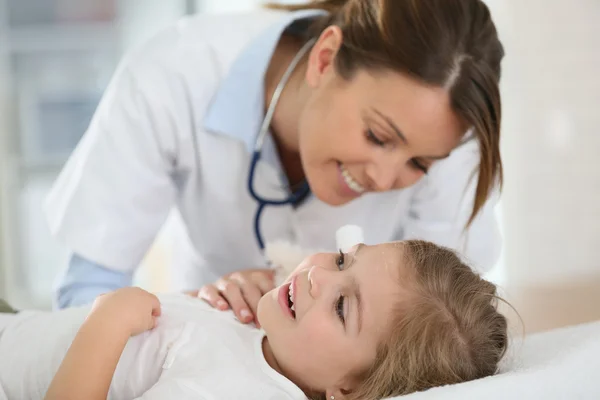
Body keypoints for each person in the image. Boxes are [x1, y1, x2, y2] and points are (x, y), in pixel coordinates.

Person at [44, 0, 505, 326]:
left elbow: (449, 329)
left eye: (419, 163)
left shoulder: (445, 127)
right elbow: (85, 297)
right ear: (325, 59)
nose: (385, 179)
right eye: (377, 136)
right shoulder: (173, 75)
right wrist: (189, 311)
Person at [0, 241, 508, 400]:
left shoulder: (231, 392)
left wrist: (107, 323)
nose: (317, 278)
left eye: (342, 307)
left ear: (350, 388)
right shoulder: (268, 343)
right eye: (341, 260)